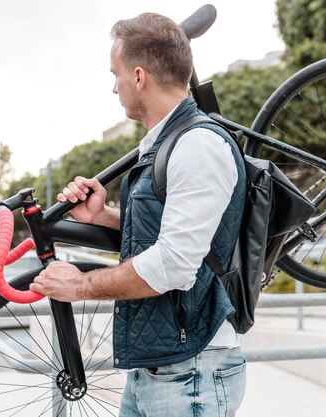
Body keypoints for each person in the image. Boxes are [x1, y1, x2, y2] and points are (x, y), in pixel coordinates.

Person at [29, 11, 247, 417]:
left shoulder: (197, 146)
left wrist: (80, 286)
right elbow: (165, 232)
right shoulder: (165, 144)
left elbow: (173, 266)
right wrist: (104, 216)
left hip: (190, 373)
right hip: (159, 367)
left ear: (140, 77)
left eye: (116, 74)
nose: (114, 88)